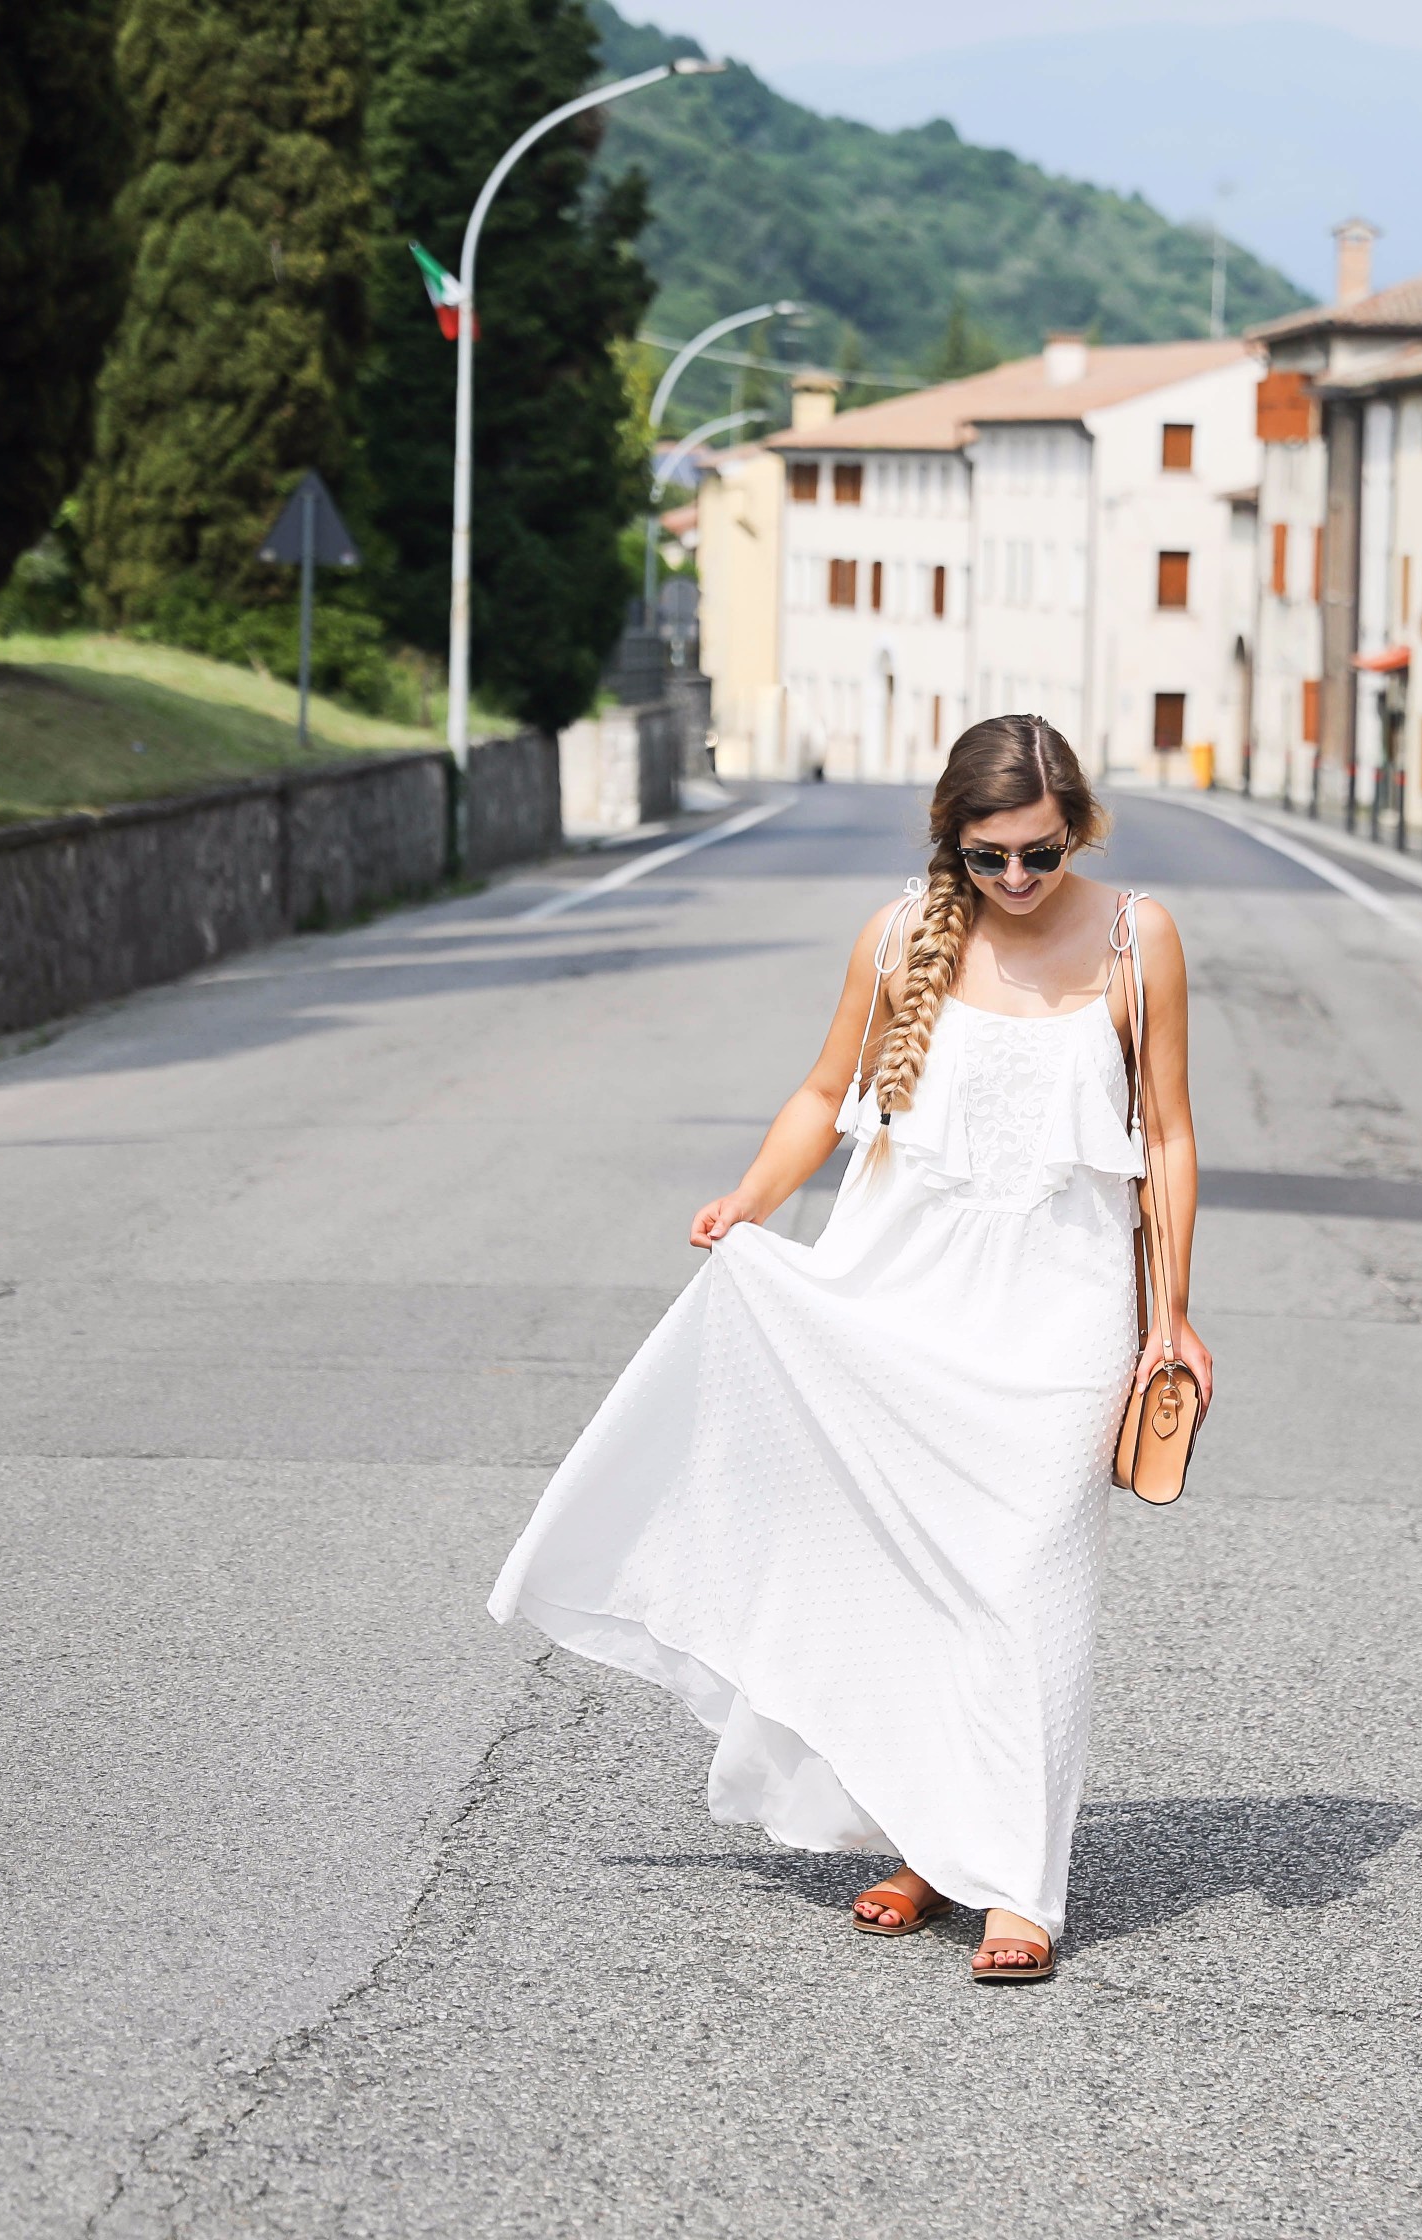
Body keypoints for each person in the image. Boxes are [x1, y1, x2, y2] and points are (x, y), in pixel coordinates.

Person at [488, 714, 1208, 1986]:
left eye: (1040, 852)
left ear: (1079, 826)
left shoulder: (1137, 937)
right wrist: (750, 1200)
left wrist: (1170, 1315)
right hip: (903, 1293)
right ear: (954, 844)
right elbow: (824, 1095)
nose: (1020, 882)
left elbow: (1170, 1133)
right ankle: (937, 1846)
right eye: (990, 859)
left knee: (1027, 1582)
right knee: (911, 1583)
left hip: (1060, 1312)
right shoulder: (896, 938)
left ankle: (1018, 1884)